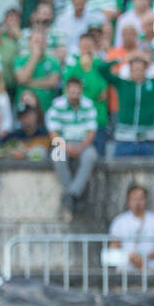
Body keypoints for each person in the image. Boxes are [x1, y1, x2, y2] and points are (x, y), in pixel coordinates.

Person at [46, 76, 99, 212]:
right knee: (57, 156)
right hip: (63, 143)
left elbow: (91, 132)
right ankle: (75, 194)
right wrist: (67, 148)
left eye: (77, 92)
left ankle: (71, 194)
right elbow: (54, 134)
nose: (75, 95)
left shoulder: (89, 105)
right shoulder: (57, 105)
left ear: (81, 91)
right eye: (72, 92)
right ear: (67, 91)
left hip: (83, 143)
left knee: (91, 157)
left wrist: (81, 147)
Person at [108, 184, 154, 275]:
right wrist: (129, 258)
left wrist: (144, 258)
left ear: (146, 200)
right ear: (128, 201)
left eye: (140, 199)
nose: (137, 202)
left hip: (151, 269)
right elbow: (113, 247)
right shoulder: (119, 221)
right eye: (134, 199)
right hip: (125, 270)